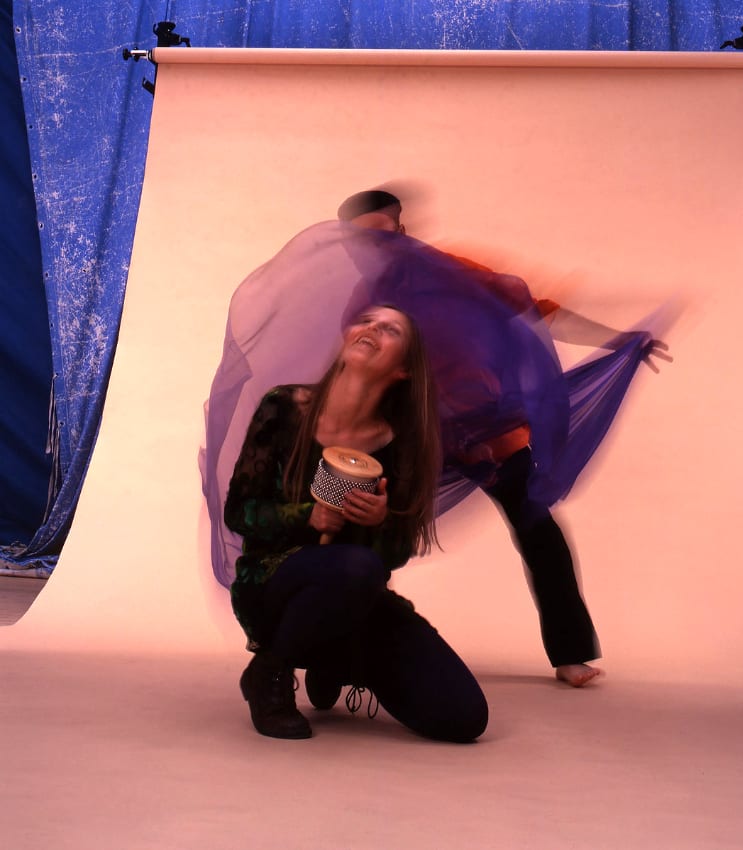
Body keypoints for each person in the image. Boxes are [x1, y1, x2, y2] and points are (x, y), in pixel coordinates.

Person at [336, 189, 670, 688]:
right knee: (360, 527)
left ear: (403, 232)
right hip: (416, 435)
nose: (376, 250)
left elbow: (535, 310)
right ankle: (340, 646)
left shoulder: (453, 273)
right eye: (362, 243)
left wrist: (617, 340)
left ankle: (571, 654)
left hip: (489, 430)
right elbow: (358, 374)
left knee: (540, 532)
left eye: (384, 236)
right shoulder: (363, 303)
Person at [223, 304, 488, 741]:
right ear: (347, 338)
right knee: (355, 567)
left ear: (403, 370)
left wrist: (381, 522)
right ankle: (270, 670)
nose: (373, 328)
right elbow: (239, 512)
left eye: (391, 330)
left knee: (463, 717)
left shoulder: (403, 443)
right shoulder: (283, 407)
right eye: (366, 321)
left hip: (357, 594)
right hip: (274, 585)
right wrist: (307, 516)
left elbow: (395, 554)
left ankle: (334, 655)